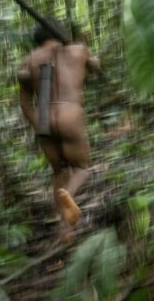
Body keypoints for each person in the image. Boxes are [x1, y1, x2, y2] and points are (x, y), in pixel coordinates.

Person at [17, 25, 100, 229]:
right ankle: (68, 195)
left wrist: (35, 121)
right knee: (82, 167)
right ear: (60, 33)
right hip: (69, 113)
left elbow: (25, 101)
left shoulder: (29, 61)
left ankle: (65, 229)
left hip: (43, 116)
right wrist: (94, 64)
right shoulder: (78, 50)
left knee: (58, 173)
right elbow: (89, 73)